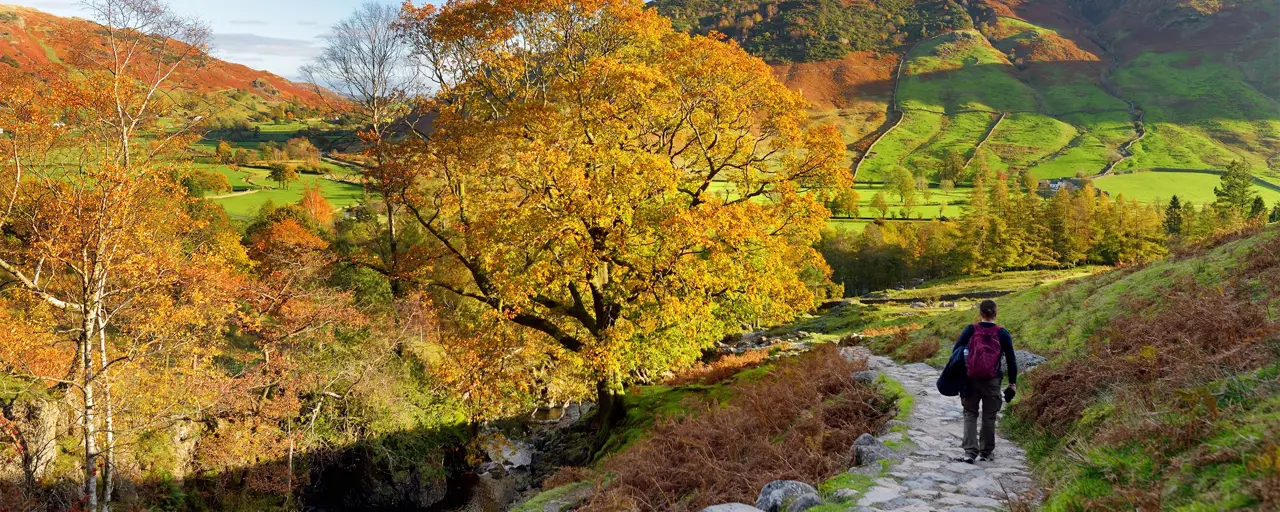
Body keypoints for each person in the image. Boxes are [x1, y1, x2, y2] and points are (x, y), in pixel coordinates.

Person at [952, 299, 1017, 463]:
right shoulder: (1002, 333)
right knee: (989, 416)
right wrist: (1012, 383)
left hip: (970, 378)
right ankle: (986, 453)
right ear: (996, 313)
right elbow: (1011, 360)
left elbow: (956, 352)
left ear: (980, 313)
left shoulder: (970, 330)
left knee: (970, 414)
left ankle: (969, 453)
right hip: (992, 380)